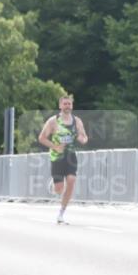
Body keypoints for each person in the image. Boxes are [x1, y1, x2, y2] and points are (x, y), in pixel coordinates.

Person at [38, 95, 88, 224]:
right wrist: (55, 147)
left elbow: (84, 137)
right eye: (65, 104)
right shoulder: (53, 121)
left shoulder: (77, 121)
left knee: (71, 180)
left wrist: (82, 139)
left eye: (69, 104)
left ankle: (61, 213)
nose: (67, 106)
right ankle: (54, 185)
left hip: (71, 156)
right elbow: (42, 138)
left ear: (72, 106)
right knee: (59, 189)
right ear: (60, 106)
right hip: (57, 157)